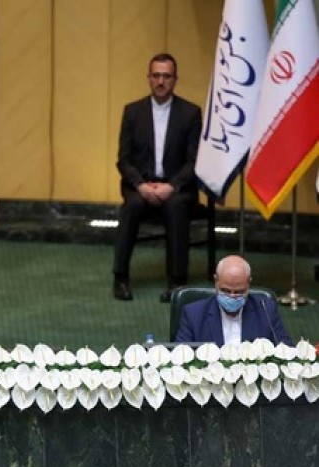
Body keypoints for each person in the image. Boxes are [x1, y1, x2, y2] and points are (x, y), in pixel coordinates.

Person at [113, 52, 202, 303]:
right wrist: (141, 185)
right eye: (156, 76)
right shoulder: (132, 112)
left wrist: (171, 186)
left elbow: (194, 160)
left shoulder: (190, 113)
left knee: (175, 206)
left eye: (166, 76)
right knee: (131, 206)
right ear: (148, 78)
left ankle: (177, 282)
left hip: (177, 187)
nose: (161, 81)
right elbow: (124, 159)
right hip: (140, 185)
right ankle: (120, 277)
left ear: (175, 79)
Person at [174, 255, 293, 346]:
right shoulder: (193, 314)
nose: (232, 296)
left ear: (248, 283)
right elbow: (179, 357)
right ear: (216, 281)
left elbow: (287, 351)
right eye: (225, 291)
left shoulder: (266, 310)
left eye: (239, 291)